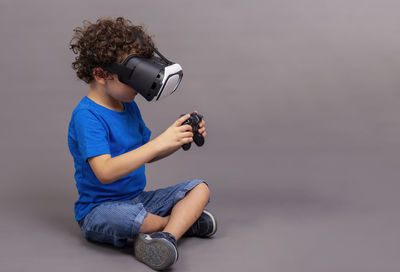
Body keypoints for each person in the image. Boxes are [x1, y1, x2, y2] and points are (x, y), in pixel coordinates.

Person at [67, 17, 217, 271]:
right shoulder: (87, 116)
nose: (141, 86)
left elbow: (147, 154)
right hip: (100, 209)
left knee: (200, 189)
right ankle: (180, 225)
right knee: (139, 221)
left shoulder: (129, 106)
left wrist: (178, 137)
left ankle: (166, 237)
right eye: (133, 77)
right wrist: (158, 143)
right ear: (101, 75)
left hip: (138, 199)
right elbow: (104, 172)